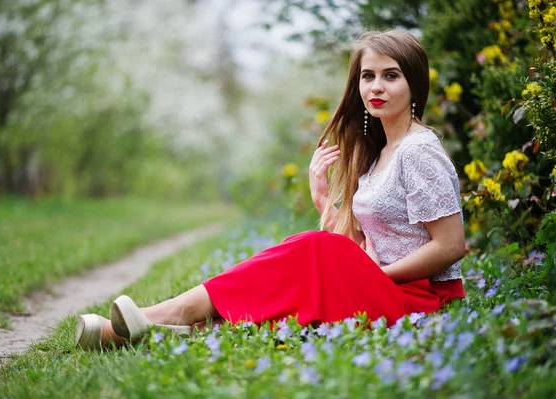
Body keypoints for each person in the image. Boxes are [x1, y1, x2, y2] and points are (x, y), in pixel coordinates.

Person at [75, 30, 467, 351]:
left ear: (414, 83)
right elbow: (361, 248)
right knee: (306, 261)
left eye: (390, 75)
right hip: (385, 290)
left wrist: (380, 276)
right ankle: (144, 330)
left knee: (312, 247)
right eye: (368, 76)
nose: (376, 87)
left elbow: (450, 246)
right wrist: (320, 195)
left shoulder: (418, 151)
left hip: (419, 304)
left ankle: (164, 315)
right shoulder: (381, 153)